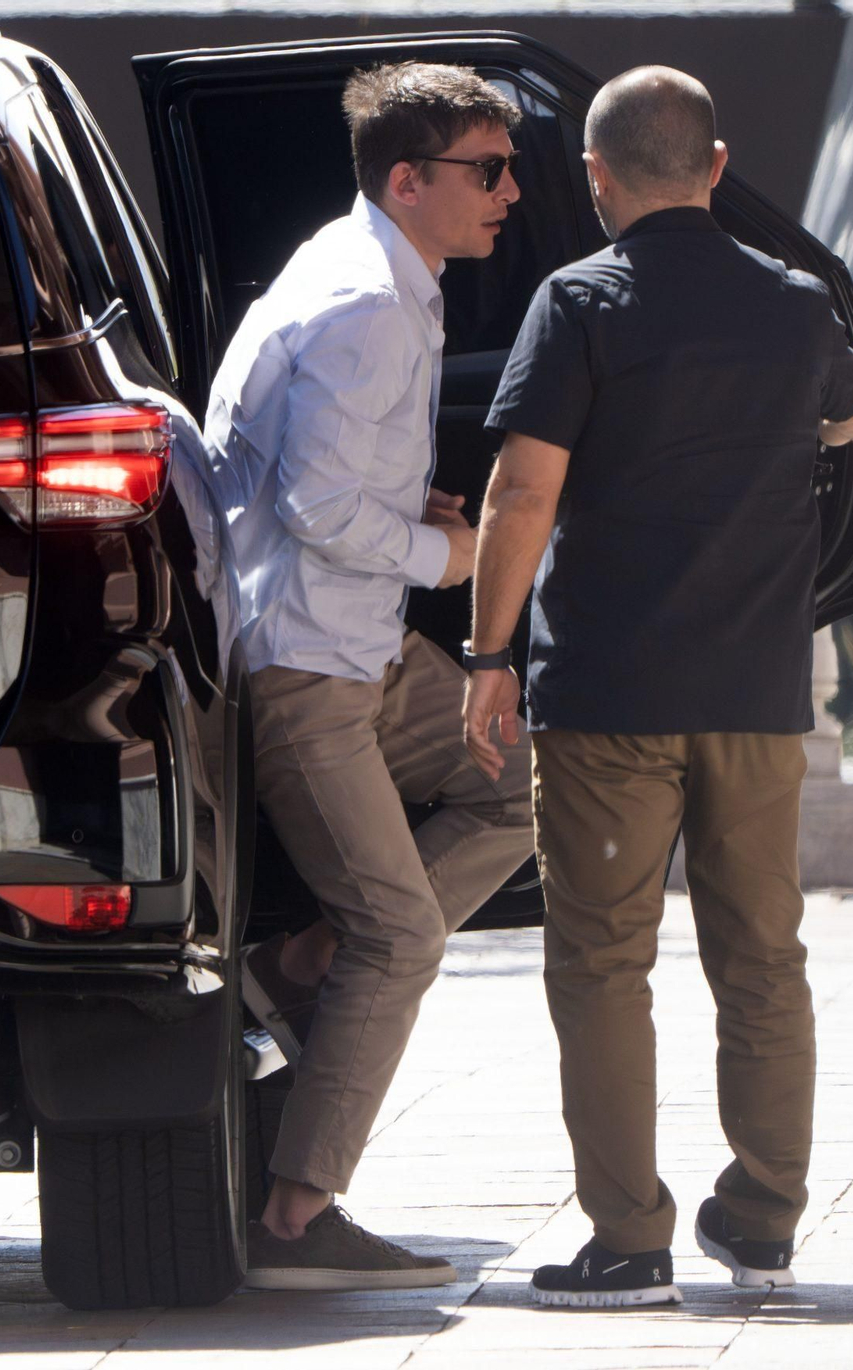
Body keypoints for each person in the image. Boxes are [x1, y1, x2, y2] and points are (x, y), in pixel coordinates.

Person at [462, 66, 853, 1307]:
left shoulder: (578, 300)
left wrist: (488, 655)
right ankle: (761, 1219)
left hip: (606, 692)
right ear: (714, 168)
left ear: (595, 180)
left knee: (603, 962)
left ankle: (629, 1237)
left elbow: (522, 491)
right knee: (763, 956)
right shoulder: (795, 304)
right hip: (755, 693)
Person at [207, 62, 537, 1288]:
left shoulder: (380, 273)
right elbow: (312, 507)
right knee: (400, 937)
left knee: (516, 785)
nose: (510, 191)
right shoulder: (363, 304)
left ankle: (291, 971)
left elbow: (330, 484)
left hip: (361, 647)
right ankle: (294, 1220)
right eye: (486, 170)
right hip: (306, 667)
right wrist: (447, 550)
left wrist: (410, 512)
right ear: (410, 181)